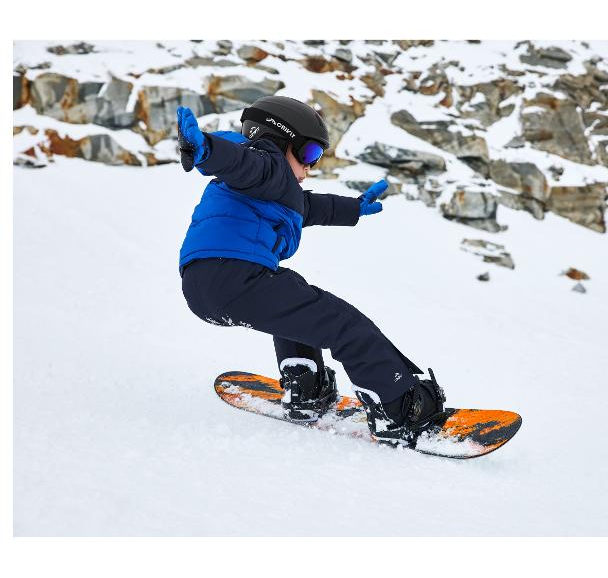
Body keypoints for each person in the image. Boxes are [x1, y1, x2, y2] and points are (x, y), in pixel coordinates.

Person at [176, 95, 446, 446]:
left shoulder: (267, 187)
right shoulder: (264, 164)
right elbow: (242, 162)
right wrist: (206, 150)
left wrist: (353, 209)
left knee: (301, 308)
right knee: (347, 327)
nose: (309, 168)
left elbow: (306, 206)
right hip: (235, 276)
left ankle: (305, 388)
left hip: (203, 287)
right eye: (308, 154)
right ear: (278, 140)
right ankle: (401, 410)